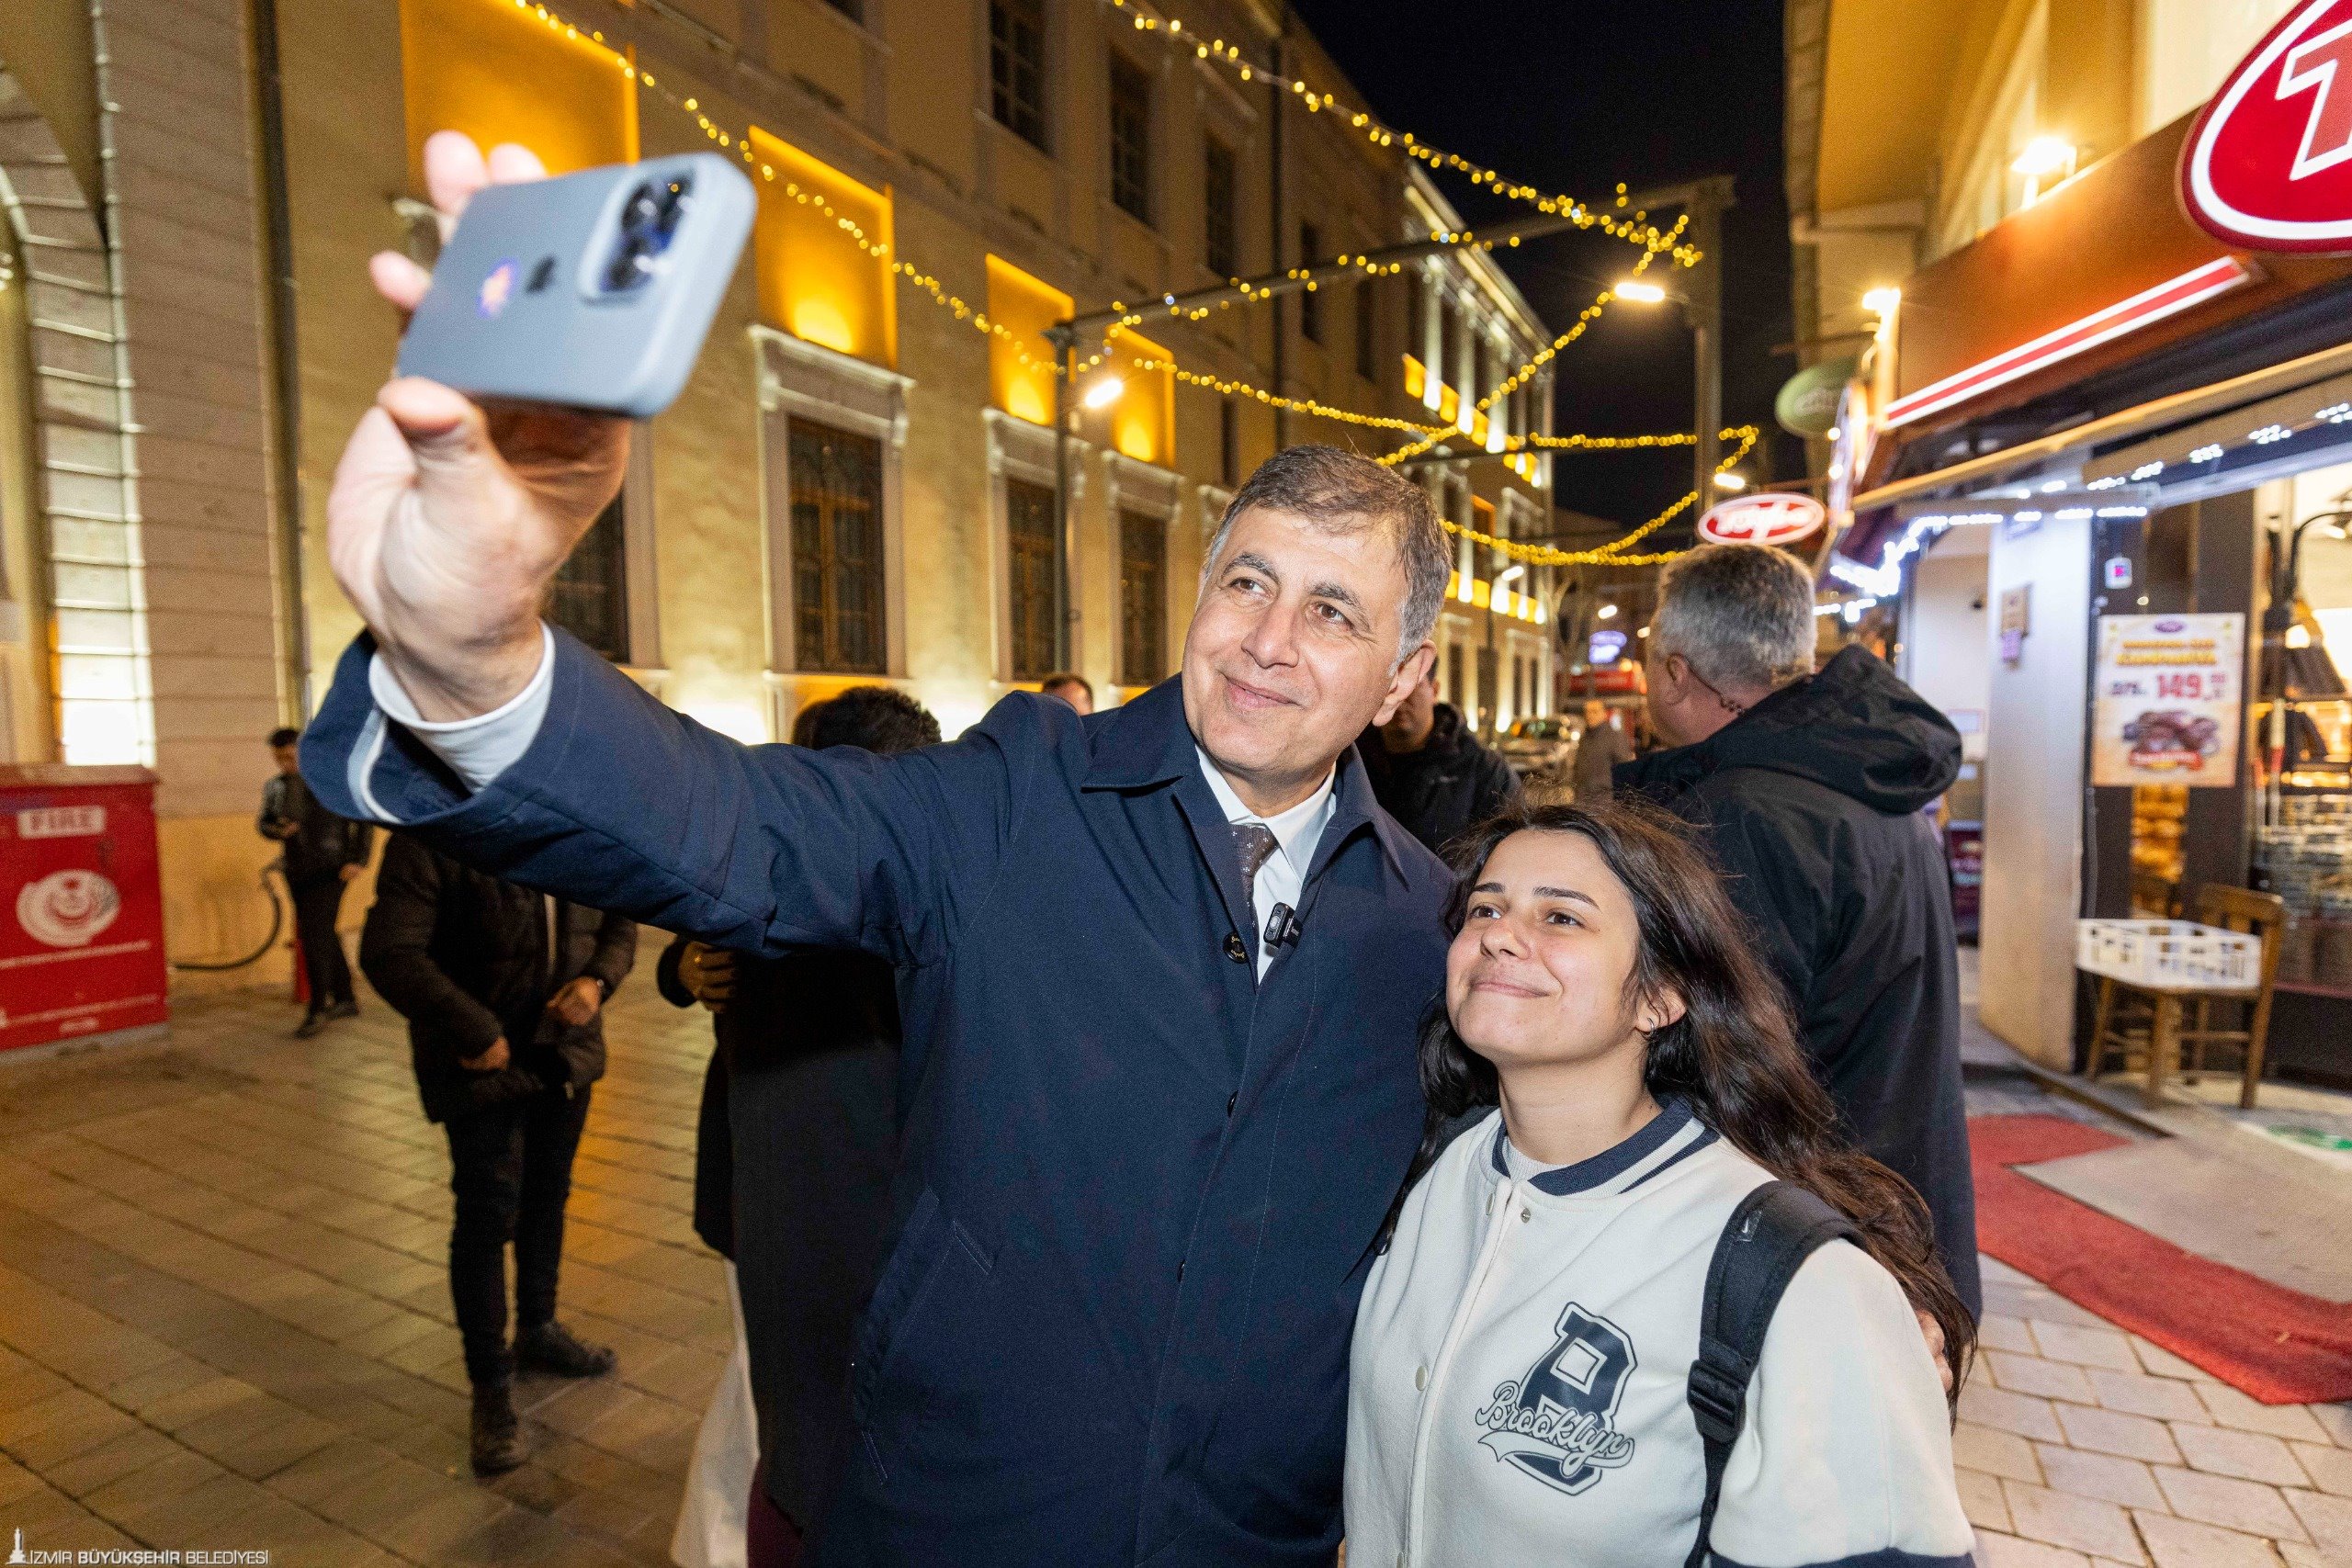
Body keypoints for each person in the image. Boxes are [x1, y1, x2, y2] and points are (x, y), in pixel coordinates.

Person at [307, 135, 1454, 1562]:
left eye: (1334, 612)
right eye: (1247, 581)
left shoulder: (1429, 931)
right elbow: (742, 828)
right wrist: (474, 654)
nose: (1270, 639)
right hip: (949, 1520)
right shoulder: (1016, 797)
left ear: (1407, 676)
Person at [1348, 800, 1975, 1568]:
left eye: (1561, 917)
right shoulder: (1430, 1171)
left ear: (1661, 996)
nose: (1501, 935)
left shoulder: (1789, 1274)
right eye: (1486, 907)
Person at [1621, 542, 1981, 1314]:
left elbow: (1719, 1064)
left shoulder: (1740, 814)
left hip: (1803, 1246)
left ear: (1677, 672)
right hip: (1897, 1219)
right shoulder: (1871, 782)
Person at [665, 684, 940, 1566]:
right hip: (795, 1203)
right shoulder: (787, 875)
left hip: (824, 1214)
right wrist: (682, 964)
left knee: (782, 1414)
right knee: (783, 1422)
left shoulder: (896, 879)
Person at [358, 831, 638, 1477]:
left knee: (549, 1195)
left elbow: (621, 916)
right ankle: (490, 1387)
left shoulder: (574, 820)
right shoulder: (434, 833)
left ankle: (539, 1328)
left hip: (564, 1051)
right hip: (482, 1061)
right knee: (487, 1217)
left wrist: (598, 980)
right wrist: (472, 1028)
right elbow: (390, 950)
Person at [258, 725, 374, 1037]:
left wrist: (358, 858)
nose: (286, 764)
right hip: (297, 869)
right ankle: (345, 998)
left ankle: (318, 1007)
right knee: (321, 932)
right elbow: (264, 823)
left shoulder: (331, 780)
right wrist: (278, 830)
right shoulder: (277, 787)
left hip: (332, 868)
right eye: (279, 759)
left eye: (290, 757)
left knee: (314, 936)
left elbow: (363, 818)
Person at [1354, 664, 1522, 853]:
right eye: (1389, 685)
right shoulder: (1348, 763)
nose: (1399, 697)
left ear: (1434, 690)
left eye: (1412, 685)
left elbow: (1510, 852)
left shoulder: (1487, 772)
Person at [1568, 696, 1633, 802]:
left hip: (1604, 799)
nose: (1590, 715)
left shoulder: (1615, 737)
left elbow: (1624, 769)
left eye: (1594, 711)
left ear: (1604, 714)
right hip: (1582, 798)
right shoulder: (1584, 737)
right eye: (1587, 712)